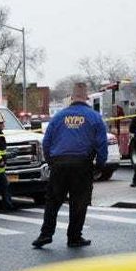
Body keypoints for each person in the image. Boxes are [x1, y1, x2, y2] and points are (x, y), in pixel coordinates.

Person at [33, 83, 108, 249]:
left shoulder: (59, 117)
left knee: (53, 201)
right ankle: (74, 237)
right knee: (79, 202)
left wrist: (51, 161)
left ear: (72, 98)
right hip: (82, 164)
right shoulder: (94, 117)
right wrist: (101, 164)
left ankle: (45, 234)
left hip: (59, 163)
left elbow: (47, 142)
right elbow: (102, 143)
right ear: (86, 98)